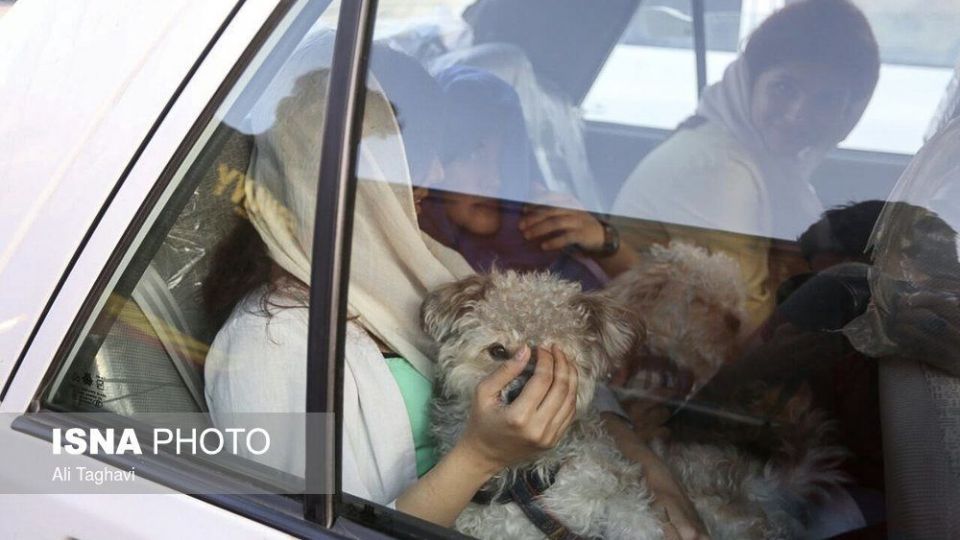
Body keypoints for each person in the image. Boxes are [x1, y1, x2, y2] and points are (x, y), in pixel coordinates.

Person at [203, 40, 708, 538]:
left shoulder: (420, 268)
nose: (439, 174)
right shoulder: (273, 347)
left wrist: (650, 469)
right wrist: (480, 457)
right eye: (417, 157)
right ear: (347, 168)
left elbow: (571, 376)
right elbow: (318, 532)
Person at [612, 0, 880, 333]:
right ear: (750, 80)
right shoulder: (720, 170)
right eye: (784, 88)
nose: (798, 114)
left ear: (849, 111)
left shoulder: (766, 162)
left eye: (826, 100)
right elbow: (741, 324)